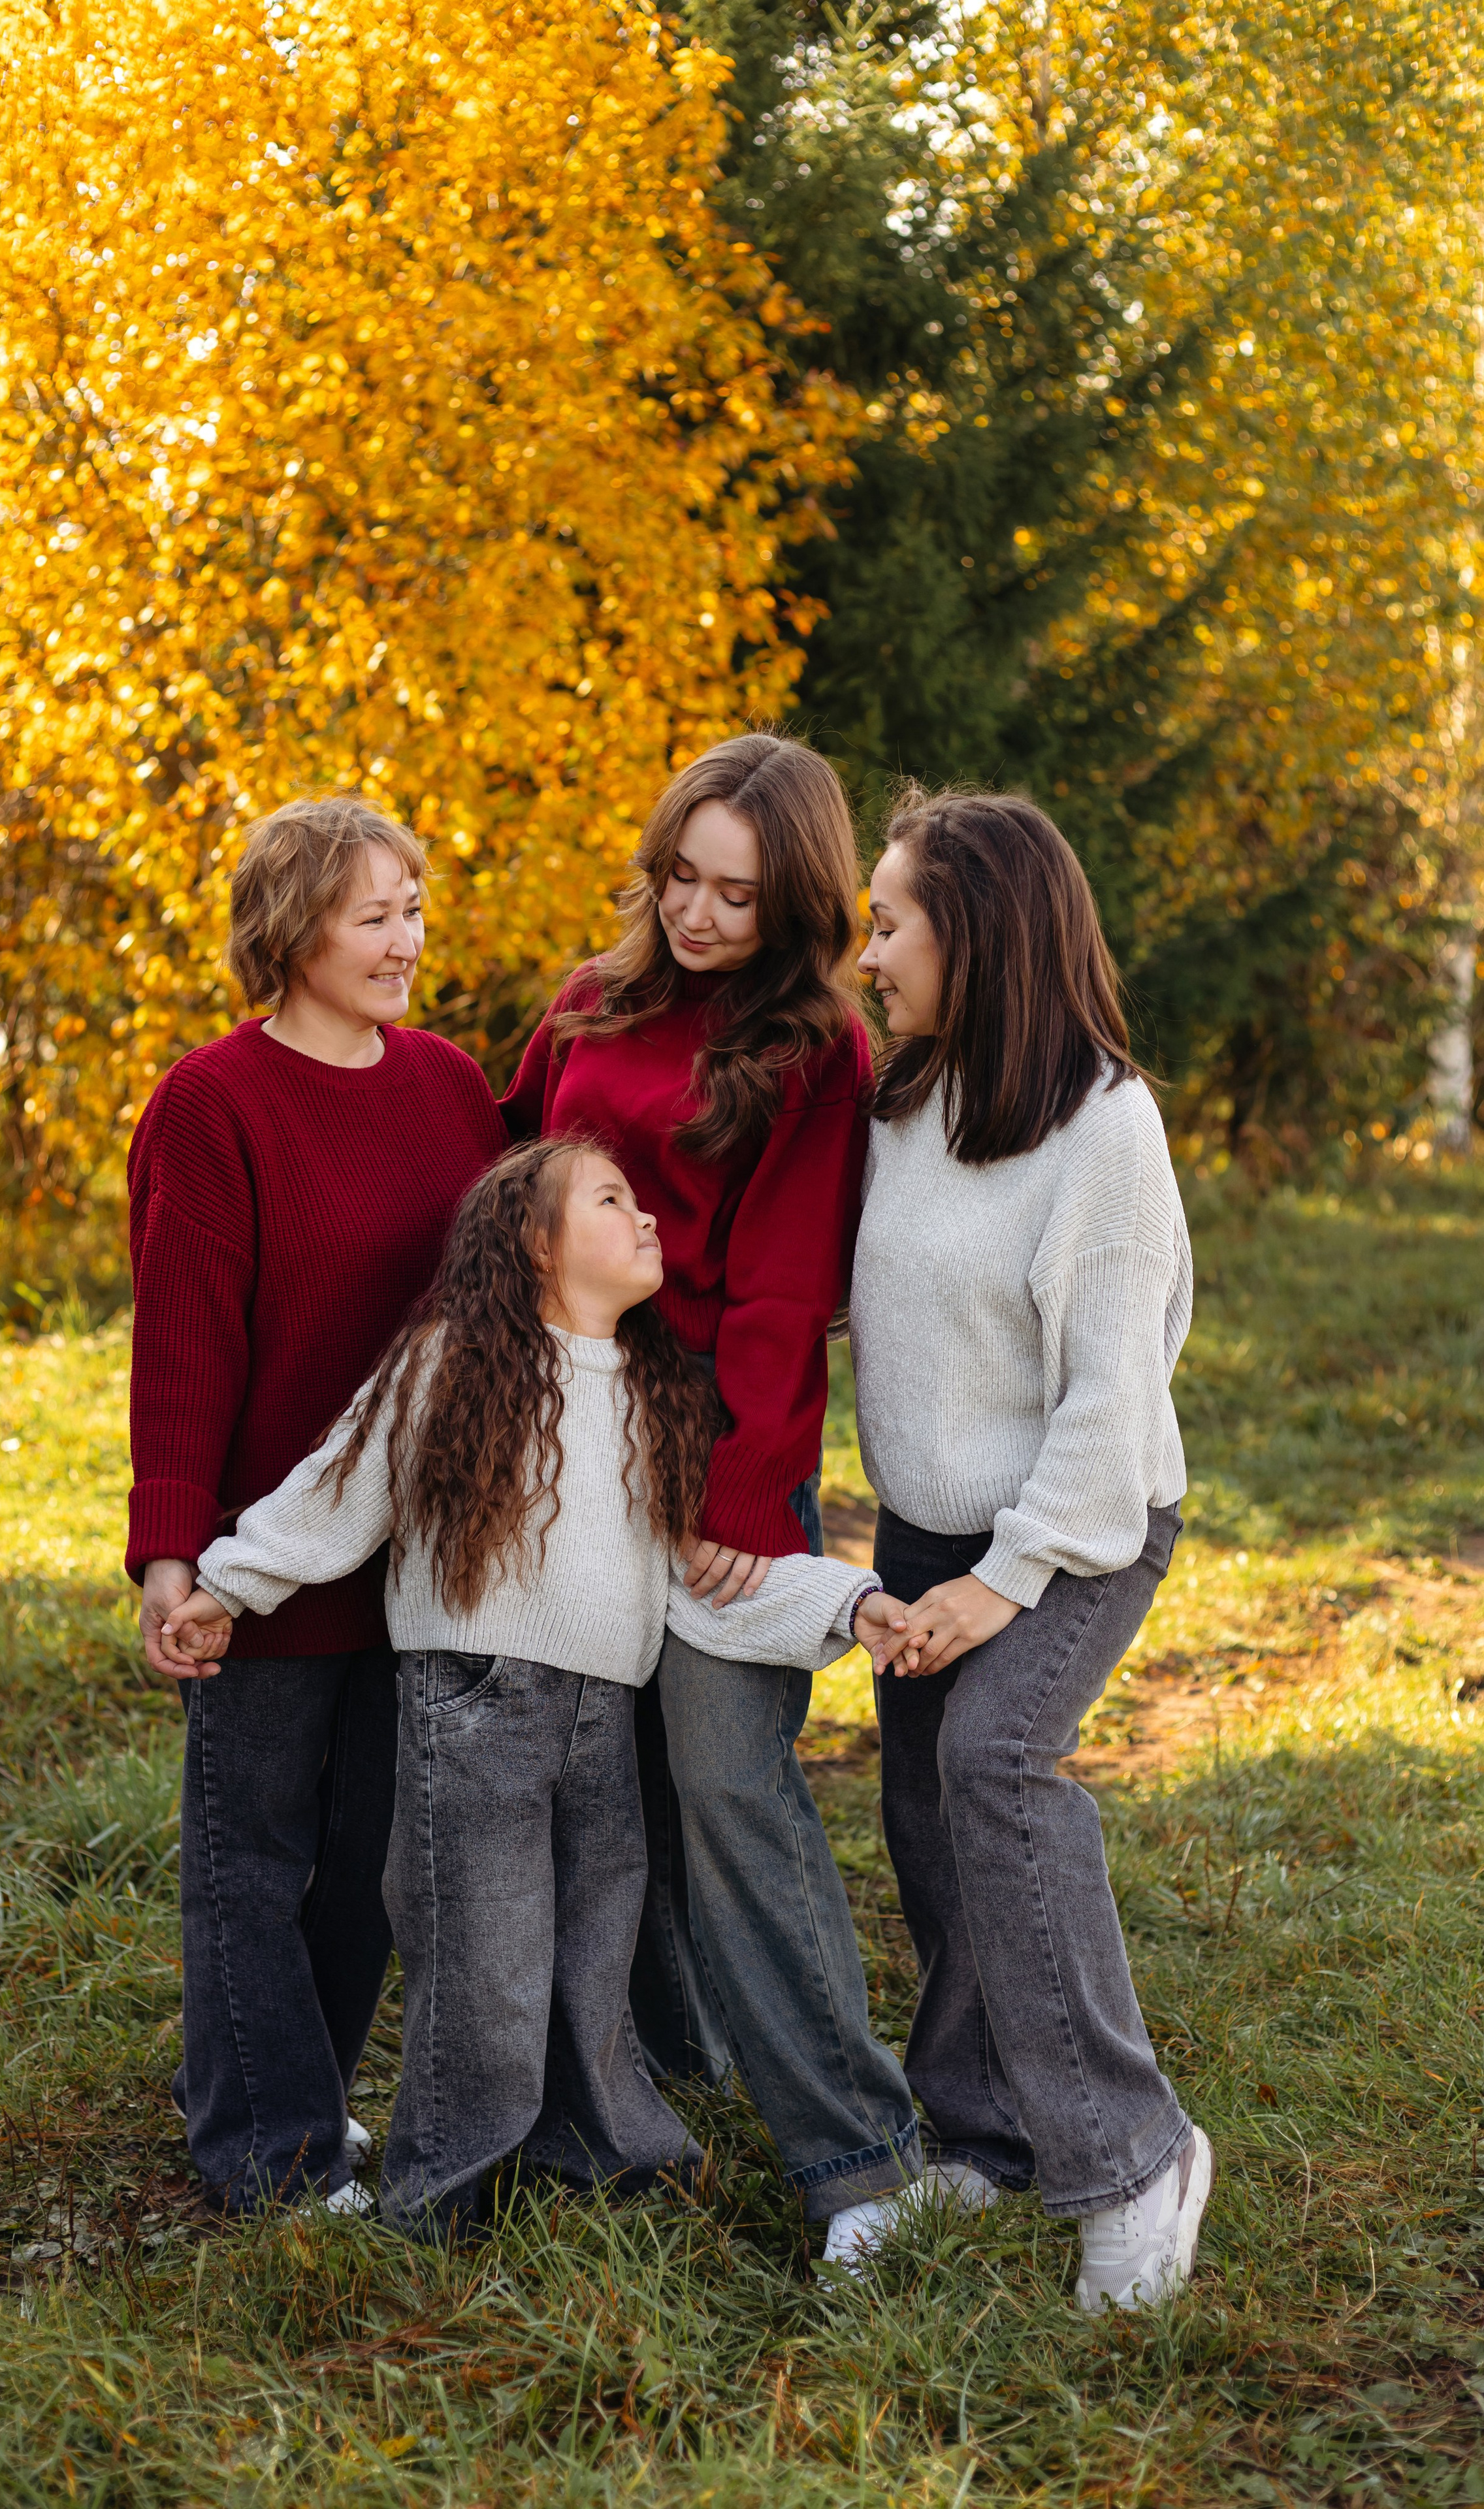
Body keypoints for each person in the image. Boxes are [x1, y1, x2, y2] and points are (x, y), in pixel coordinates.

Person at [156, 1137, 920, 2242]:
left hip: (604, 1726)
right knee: (485, 1967)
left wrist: (849, 1604)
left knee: (592, 1956)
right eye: (613, 1200)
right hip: (478, 1712)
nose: (648, 1219)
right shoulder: (452, 1363)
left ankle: (608, 2152)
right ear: (535, 1239)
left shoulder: (657, 1397)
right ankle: (439, 2195)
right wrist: (227, 1584)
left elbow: (703, 1583)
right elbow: (335, 1494)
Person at [501, 732, 924, 2269]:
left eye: (732, 894)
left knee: (727, 1782)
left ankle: (862, 2156)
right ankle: (642, 2083)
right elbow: (508, 1187)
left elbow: (782, 1292)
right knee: (596, 1788)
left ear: (791, 900)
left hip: (719, 1454)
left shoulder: (815, 1049)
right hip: (557, 1436)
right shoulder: (584, 1004)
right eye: (678, 875)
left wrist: (731, 1507)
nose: (693, 913)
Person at [850, 786, 1211, 2309]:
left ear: (978, 932)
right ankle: (982, 2131)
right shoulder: (907, 1099)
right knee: (927, 1819)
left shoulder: (1104, 1130)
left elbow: (1104, 1413)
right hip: (929, 1523)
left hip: (1079, 1525)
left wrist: (994, 1590)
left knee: (993, 1769)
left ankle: (1128, 2156)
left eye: (888, 921)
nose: (866, 953)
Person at [126, 795, 506, 2217]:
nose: (406, 940)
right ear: (293, 931)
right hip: (261, 1566)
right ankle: (265, 2151)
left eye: (413, 908)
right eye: (374, 915)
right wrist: (174, 1556)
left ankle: (293, 2099)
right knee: (254, 1861)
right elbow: (182, 1350)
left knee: (364, 1867)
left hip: (417, 1559)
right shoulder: (213, 1103)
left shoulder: (451, 1090)